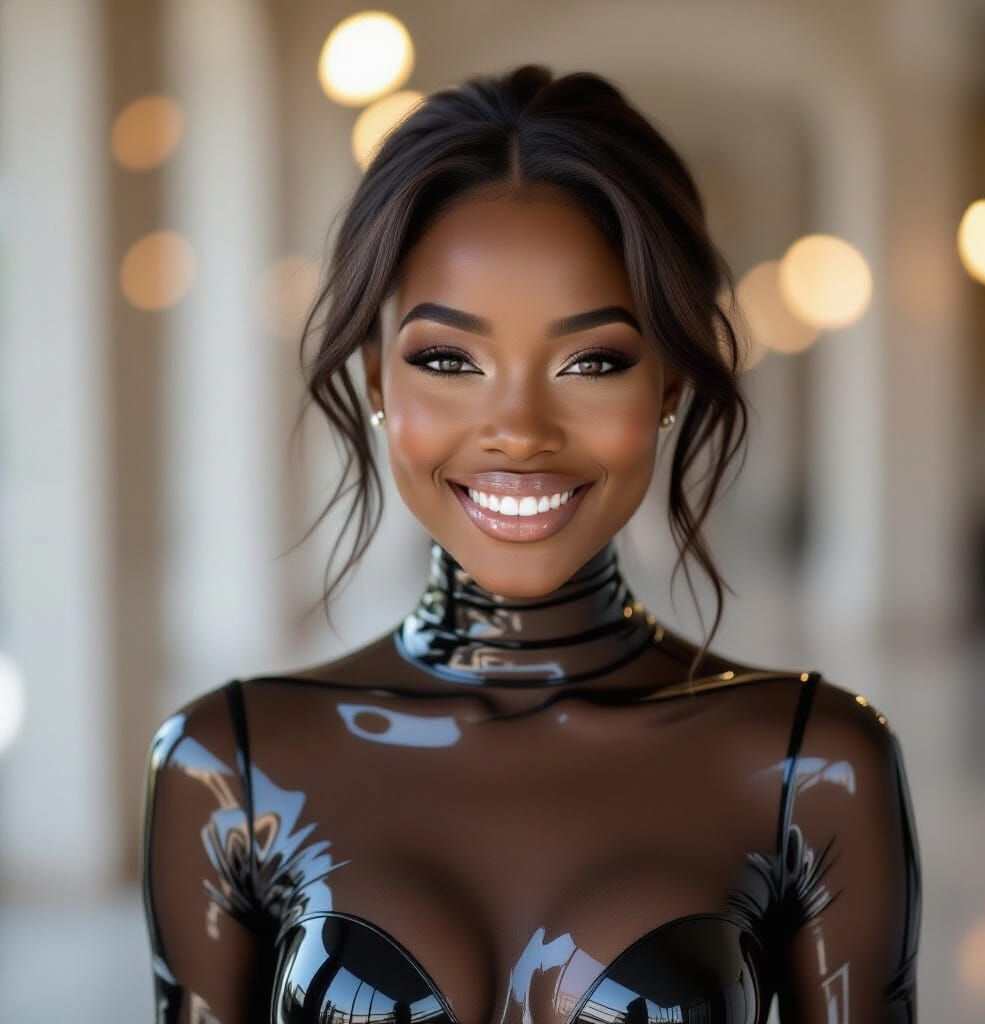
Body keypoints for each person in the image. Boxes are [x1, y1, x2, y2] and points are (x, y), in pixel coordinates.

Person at [141, 65, 921, 1024]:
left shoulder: (815, 767)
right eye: (447, 359)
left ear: (669, 384)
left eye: (591, 360)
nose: (518, 427)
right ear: (378, 380)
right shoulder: (229, 765)